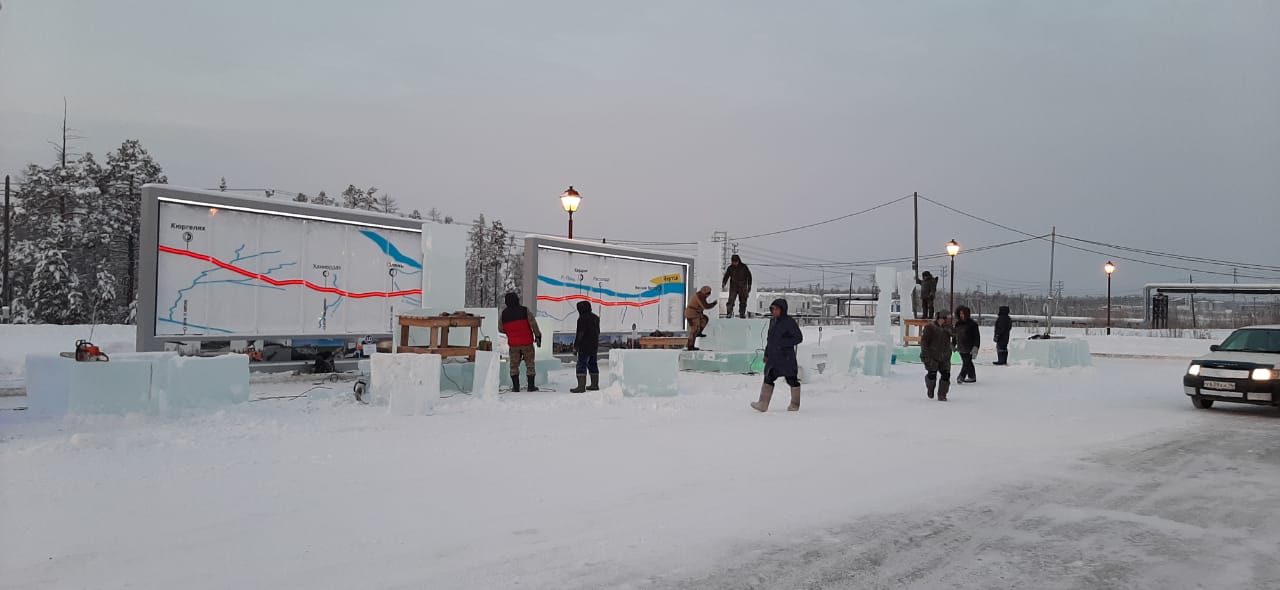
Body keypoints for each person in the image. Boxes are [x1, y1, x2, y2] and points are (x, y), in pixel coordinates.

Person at [752, 298, 804, 412]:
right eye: (772, 309)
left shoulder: (789, 322)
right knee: (768, 377)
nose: (774, 311)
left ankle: (795, 404)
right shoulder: (773, 321)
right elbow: (770, 340)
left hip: (786, 357)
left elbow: (798, 338)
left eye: (776, 309)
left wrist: (783, 344)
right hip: (774, 357)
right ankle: (762, 404)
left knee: (791, 379)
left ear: (782, 309)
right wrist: (766, 354)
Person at [498, 292, 542, 392]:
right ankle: (531, 386)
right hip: (527, 342)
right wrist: (538, 336)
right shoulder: (524, 310)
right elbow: (533, 324)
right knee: (530, 364)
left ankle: (516, 387)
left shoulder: (504, 314)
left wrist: (511, 332)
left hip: (513, 344)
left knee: (513, 366)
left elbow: (500, 328)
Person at [920, 311, 954, 401]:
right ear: (940, 318)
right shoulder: (930, 327)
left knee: (946, 375)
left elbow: (956, 335)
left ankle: (942, 394)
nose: (947, 321)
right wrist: (925, 354)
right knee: (932, 375)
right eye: (946, 318)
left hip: (945, 356)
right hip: (932, 356)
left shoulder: (949, 328)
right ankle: (930, 389)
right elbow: (924, 342)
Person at [570, 300, 601, 393]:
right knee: (593, 364)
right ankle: (594, 384)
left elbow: (580, 334)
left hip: (584, 346)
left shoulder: (582, 319)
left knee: (581, 365)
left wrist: (576, 346)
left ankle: (581, 387)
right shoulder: (596, 317)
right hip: (594, 345)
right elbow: (598, 332)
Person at [684, 286, 717, 351]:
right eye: (708, 294)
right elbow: (705, 306)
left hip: (696, 314)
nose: (708, 295)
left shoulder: (701, 296)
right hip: (692, 314)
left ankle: (699, 332)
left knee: (704, 319)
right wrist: (713, 304)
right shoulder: (699, 297)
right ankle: (690, 346)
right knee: (694, 329)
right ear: (706, 293)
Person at [954, 305, 981, 383]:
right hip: (960, 347)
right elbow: (955, 335)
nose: (961, 315)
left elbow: (977, 337)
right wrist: (953, 344)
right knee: (967, 362)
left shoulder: (972, 324)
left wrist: (976, 347)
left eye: (963, 313)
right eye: (960, 314)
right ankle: (972, 376)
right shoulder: (958, 324)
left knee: (967, 362)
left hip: (969, 347)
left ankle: (961, 376)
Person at [721, 254, 753, 319]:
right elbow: (726, 276)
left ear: (738, 261)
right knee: (731, 300)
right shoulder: (730, 268)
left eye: (736, 262)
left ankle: (742, 313)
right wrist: (724, 282)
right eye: (733, 262)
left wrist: (749, 286)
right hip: (733, 287)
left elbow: (749, 276)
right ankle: (729, 313)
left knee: (743, 301)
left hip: (743, 286)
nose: (734, 263)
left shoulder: (744, 267)